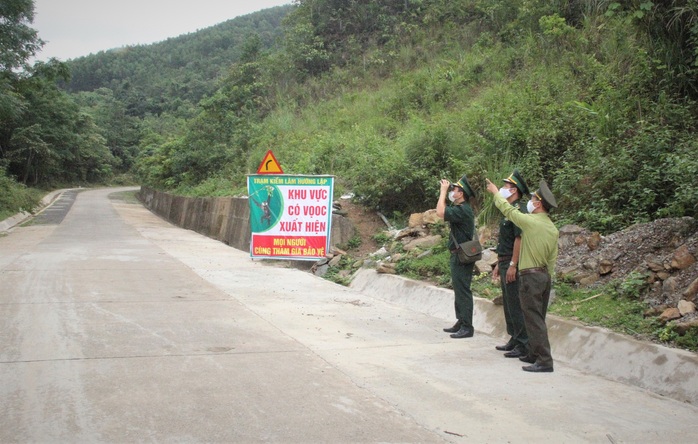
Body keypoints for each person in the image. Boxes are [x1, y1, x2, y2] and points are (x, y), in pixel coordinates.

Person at [485, 178, 559, 373]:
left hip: (530, 276)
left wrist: (495, 193)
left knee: (533, 319)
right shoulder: (552, 228)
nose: (530, 201)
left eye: (533, 198)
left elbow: (509, 211)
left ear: (538, 203)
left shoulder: (530, 222)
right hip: (544, 276)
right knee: (536, 318)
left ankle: (544, 360)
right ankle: (533, 354)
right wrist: (547, 277)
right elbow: (552, 258)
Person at [491, 170, 530, 359]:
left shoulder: (517, 211)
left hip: (513, 262)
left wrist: (513, 264)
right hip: (505, 259)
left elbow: (519, 239)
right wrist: (500, 263)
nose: (502, 188)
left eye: (505, 186)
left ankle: (523, 344)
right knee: (508, 302)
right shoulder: (508, 211)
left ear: (514, 190)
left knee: (515, 302)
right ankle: (514, 338)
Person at [437, 175, 477, 339]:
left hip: (462, 257)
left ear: (461, 194)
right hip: (458, 255)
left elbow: (440, 212)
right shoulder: (460, 209)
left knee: (463, 291)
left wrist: (442, 190)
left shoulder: (463, 210)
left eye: (454, 190)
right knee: (459, 290)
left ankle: (467, 326)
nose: (452, 192)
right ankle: (461, 321)